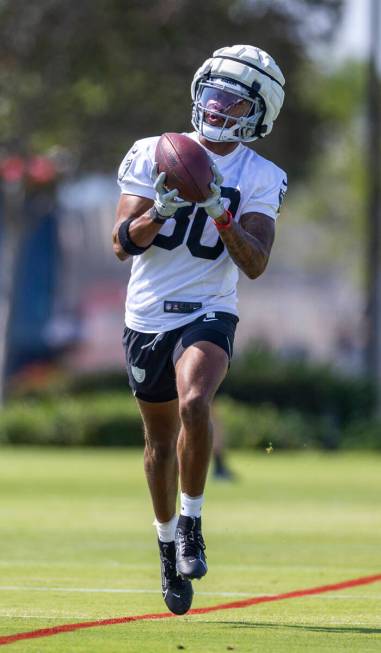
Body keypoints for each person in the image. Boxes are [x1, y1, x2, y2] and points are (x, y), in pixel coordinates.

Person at [112, 44, 287, 615]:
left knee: (195, 404)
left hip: (208, 308)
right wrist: (157, 211)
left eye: (233, 101)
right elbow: (120, 244)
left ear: (258, 113)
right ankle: (166, 551)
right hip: (146, 314)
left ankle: (192, 522)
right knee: (159, 443)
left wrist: (218, 207)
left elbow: (255, 262)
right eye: (213, 94)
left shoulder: (260, 176)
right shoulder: (153, 152)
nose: (217, 107)